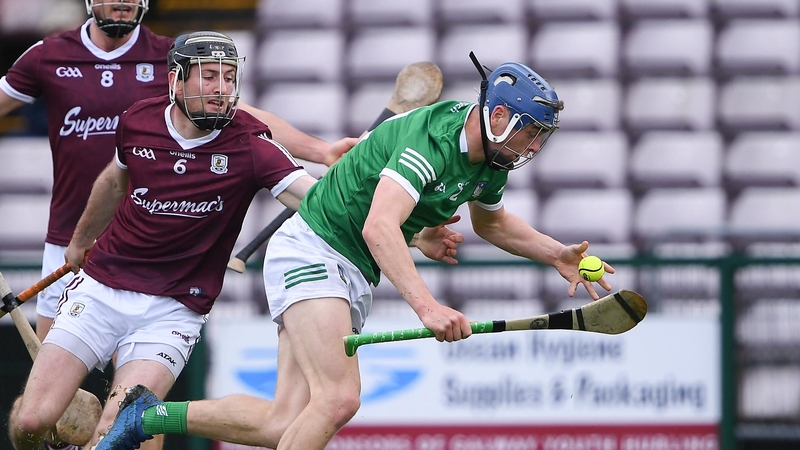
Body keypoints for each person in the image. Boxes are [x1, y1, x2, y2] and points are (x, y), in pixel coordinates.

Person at [94, 56, 617, 450]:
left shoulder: (492, 161)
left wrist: (556, 255)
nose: (533, 148)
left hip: (346, 269)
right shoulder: (433, 139)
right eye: (530, 134)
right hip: (315, 251)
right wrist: (428, 307)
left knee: (283, 422)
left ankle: (146, 417)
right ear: (498, 114)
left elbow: (493, 221)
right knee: (339, 400)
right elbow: (379, 227)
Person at [4, 30, 380, 450]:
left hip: (174, 310)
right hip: (102, 289)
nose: (221, 89)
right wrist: (80, 241)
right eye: (208, 76)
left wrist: (402, 226)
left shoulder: (251, 145)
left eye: (228, 77)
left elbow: (316, 198)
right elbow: (114, 180)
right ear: (176, 81)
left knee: (121, 425)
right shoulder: (138, 120)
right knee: (32, 421)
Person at [0, 0, 355, 345]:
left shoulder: (172, 59)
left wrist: (321, 151)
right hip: (70, 234)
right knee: (51, 380)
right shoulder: (48, 54)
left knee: (131, 384)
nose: (122, 3)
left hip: (141, 247)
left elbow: (242, 115)